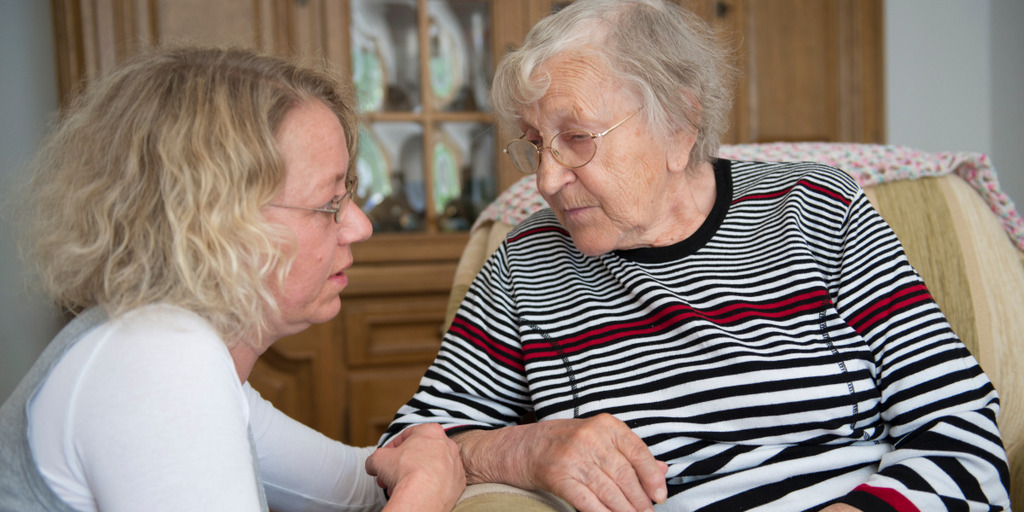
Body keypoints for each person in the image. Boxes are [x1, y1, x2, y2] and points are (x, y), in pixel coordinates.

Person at [379, 0, 1011, 510]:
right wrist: (522, 450)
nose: (545, 179)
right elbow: (408, 445)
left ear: (678, 125)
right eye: (534, 143)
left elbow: (962, 428)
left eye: (574, 138)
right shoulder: (526, 265)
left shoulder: (818, 208)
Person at [0, 46, 464, 512]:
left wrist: (460, 459)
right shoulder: (157, 360)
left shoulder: (181, 350)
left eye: (349, 194)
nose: (359, 226)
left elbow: (360, 484)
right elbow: (406, 491)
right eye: (329, 204)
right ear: (216, 224)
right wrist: (424, 498)